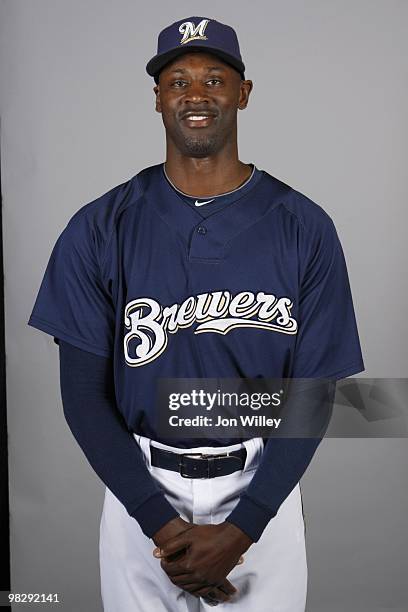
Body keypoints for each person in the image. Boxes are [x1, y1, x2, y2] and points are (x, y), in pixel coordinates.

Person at [27, 15, 365, 612]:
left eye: (214, 78)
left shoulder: (305, 227)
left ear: (243, 92)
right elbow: (83, 397)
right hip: (140, 493)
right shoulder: (99, 227)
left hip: (263, 490)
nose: (196, 94)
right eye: (178, 81)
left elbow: (314, 394)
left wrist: (243, 529)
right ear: (158, 98)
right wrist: (163, 527)